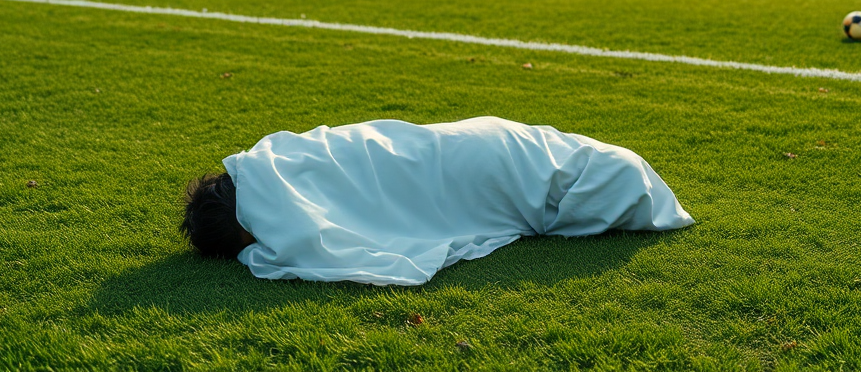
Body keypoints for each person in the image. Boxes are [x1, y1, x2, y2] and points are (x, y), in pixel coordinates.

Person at [180, 116, 694, 286]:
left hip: (467, 155)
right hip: (473, 144)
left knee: (571, 172)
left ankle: (591, 179)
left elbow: (309, 243)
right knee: (586, 170)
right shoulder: (264, 158)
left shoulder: (268, 174)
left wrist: (254, 249)